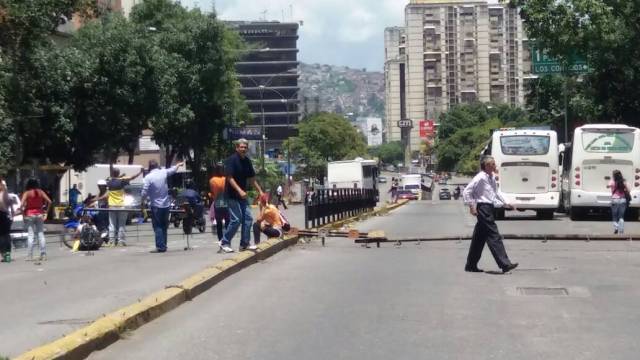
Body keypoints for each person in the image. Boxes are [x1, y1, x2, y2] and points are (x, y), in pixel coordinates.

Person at [462, 156, 518, 273]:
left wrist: (506, 203)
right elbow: (467, 191)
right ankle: (505, 264)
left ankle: (471, 265)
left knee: (479, 238)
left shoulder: (491, 177)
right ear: (486, 166)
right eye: (492, 164)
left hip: (489, 208)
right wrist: (472, 206)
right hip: (483, 208)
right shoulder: (480, 177)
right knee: (494, 235)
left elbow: (495, 193)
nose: (495, 165)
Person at [219, 138, 264, 253]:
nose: (243, 149)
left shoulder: (247, 161)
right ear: (237, 148)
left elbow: (252, 179)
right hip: (231, 195)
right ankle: (224, 243)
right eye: (241, 147)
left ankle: (244, 244)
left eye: (245, 147)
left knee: (248, 218)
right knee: (236, 219)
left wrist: (260, 191)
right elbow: (229, 177)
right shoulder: (231, 160)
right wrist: (239, 190)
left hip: (242, 195)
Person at [141, 160, 184, 253]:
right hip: (166, 204)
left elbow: (144, 192)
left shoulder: (148, 177)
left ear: (149, 167)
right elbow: (173, 170)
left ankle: (160, 246)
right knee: (164, 226)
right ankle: (164, 245)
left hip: (156, 205)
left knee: (158, 226)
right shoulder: (163, 172)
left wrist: (142, 201)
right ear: (157, 166)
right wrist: (178, 165)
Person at [106, 167, 143, 246]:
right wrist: (140, 172)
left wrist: (118, 176)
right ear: (119, 173)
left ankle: (111, 241)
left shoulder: (109, 182)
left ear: (112, 173)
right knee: (121, 224)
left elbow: (111, 179)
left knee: (112, 224)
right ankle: (121, 241)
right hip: (121, 205)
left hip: (112, 205)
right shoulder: (122, 181)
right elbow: (132, 177)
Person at [21, 178, 52, 261]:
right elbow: (50, 201)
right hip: (40, 214)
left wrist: (23, 215)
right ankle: (43, 254)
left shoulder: (27, 193)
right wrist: (46, 213)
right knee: (41, 234)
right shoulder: (41, 192)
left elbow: (21, 206)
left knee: (31, 235)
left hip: (29, 214)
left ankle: (29, 256)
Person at [209, 163, 229, 243]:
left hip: (217, 204)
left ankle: (221, 240)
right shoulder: (226, 179)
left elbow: (212, 192)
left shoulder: (212, 180)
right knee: (228, 223)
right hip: (227, 203)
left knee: (219, 224)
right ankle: (227, 240)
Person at [0, 179, 16, 263]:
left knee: (2, 236)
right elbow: (11, 204)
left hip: (3, 215)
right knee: (6, 235)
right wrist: (12, 214)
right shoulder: (5, 193)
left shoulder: (4, 193)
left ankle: (4, 255)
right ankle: (7, 255)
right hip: (5, 216)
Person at [609, 169, 629, 234]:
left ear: (613, 175)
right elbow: (628, 190)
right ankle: (621, 229)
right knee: (621, 216)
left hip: (615, 200)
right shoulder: (624, 181)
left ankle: (616, 227)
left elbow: (608, 186)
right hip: (623, 200)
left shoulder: (612, 181)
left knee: (614, 216)